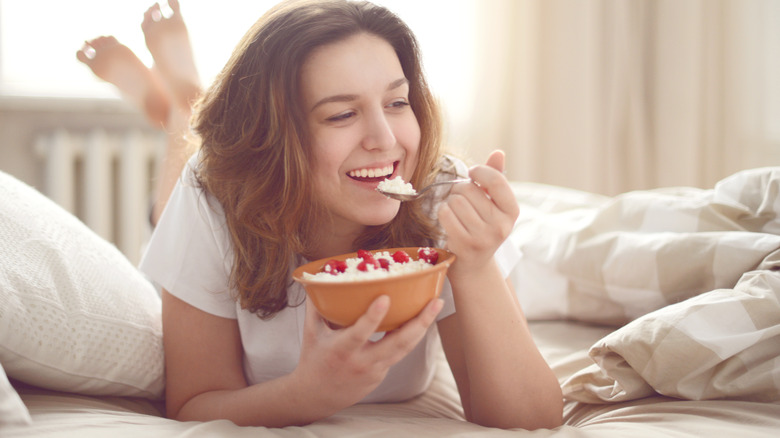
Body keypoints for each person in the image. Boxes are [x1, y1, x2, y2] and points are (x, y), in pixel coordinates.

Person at [139, 0, 563, 430]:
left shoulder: (440, 195)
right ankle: (184, 99)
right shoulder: (214, 192)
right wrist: (307, 395)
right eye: (342, 114)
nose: (385, 140)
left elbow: (531, 419)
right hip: (238, 185)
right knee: (172, 196)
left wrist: (476, 267)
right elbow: (194, 404)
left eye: (397, 103)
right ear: (270, 138)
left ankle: (184, 99)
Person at [76, 0, 200, 226]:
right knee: (173, 226)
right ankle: (186, 109)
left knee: (170, 227)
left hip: (169, 225)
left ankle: (182, 112)